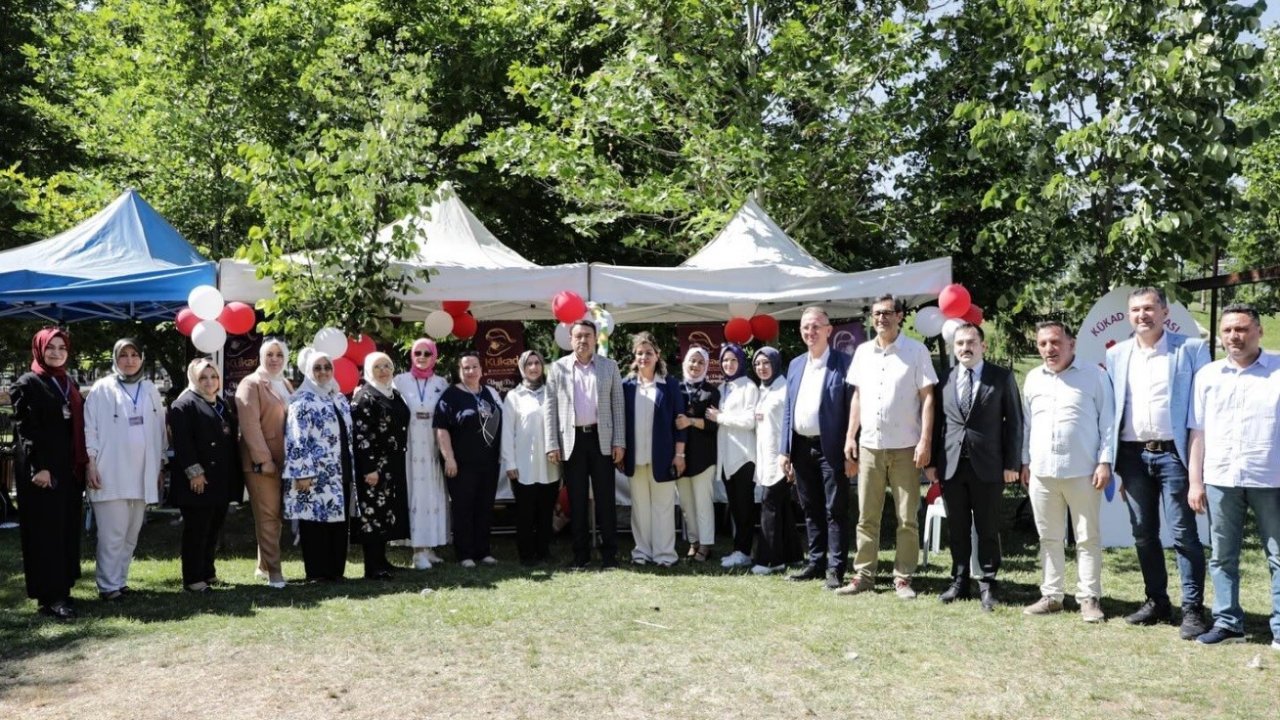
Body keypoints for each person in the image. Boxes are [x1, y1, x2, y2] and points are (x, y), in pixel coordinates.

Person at [1105, 287, 1210, 637]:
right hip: (1133, 457)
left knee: (1183, 534)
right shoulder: (1118, 355)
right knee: (1143, 534)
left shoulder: (1191, 349)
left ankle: (1193, 609)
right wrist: (1114, 463)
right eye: (1135, 309)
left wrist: (1199, 471)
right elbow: (1113, 413)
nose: (1142, 315)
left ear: (1165, 312)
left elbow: (1203, 410)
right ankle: (1157, 602)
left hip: (1174, 455)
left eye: (1149, 308)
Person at [1187, 303, 1280, 648]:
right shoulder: (1208, 376)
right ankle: (1229, 625)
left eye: (1241, 329)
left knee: (1278, 556)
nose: (1234, 336)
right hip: (1220, 478)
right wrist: (1195, 482)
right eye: (1227, 330)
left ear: (1259, 331)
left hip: (1271, 478)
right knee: (1222, 555)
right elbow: (1197, 433)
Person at [839, 295, 937, 599]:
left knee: (907, 516)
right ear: (871, 318)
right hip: (870, 446)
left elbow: (928, 398)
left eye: (887, 313)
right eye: (876, 314)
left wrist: (925, 440)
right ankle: (864, 575)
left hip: (907, 447)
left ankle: (903, 578)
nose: (881, 318)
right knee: (867, 515)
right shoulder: (863, 352)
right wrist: (850, 436)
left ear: (900, 316)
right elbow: (857, 397)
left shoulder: (916, 351)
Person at [1020, 321, 1115, 622]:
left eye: (1056, 342)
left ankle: (1088, 598)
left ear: (1071, 344)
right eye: (1043, 344)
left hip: (1083, 472)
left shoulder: (1095, 376)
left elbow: (1108, 423)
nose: (1050, 349)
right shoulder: (1033, 379)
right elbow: (1026, 426)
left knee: (1087, 538)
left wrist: (1105, 461)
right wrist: (1025, 462)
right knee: (1049, 537)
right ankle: (1052, 596)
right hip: (1042, 473)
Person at [926, 323, 1022, 611]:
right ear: (954, 348)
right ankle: (959, 580)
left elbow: (1015, 424)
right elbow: (937, 425)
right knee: (956, 528)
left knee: (988, 528)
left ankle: (989, 583)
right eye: (960, 344)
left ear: (983, 346)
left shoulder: (1001, 378)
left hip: (990, 467)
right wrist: (931, 462)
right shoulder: (944, 379)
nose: (965, 348)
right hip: (952, 466)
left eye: (971, 342)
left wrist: (1012, 463)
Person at [11, 327, 88, 620]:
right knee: (46, 532)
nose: (56, 352)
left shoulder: (67, 381)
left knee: (65, 528)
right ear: (39, 350)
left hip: (68, 468)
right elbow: (25, 430)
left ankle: (63, 588)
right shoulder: (27, 383)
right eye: (50, 347)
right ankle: (50, 596)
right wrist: (38, 467)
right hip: (42, 470)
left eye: (62, 347)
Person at [84, 338, 166, 601]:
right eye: (123, 355)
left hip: (143, 472)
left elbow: (160, 429)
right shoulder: (101, 388)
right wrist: (91, 462)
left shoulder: (150, 388)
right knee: (113, 533)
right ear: (115, 358)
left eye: (134, 354)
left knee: (131, 533)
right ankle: (107, 586)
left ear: (141, 358)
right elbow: (90, 429)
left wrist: (160, 463)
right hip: (111, 471)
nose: (129, 360)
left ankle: (120, 580)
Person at [543, 319, 626, 569]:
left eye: (587, 335)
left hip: (602, 439)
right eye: (578, 336)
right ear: (570, 339)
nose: (583, 340)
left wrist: (619, 441)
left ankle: (609, 555)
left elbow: (618, 406)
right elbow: (550, 407)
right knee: (576, 501)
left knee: (605, 501)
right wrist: (551, 443)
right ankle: (581, 556)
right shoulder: (557, 369)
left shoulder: (609, 367)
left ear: (595, 338)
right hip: (572, 442)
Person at [781, 306, 853, 590]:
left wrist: (852, 449)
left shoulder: (844, 363)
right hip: (800, 447)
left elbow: (852, 409)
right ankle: (816, 562)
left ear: (828, 330)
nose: (810, 332)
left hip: (831, 448)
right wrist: (784, 451)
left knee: (835, 508)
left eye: (815, 326)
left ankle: (835, 568)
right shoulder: (796, 364)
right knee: (810, 508)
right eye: (805, 327)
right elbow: (789, 409)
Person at [167, 358, 241, 593]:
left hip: (219, 478)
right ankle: (193, 578)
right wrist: (194, 473)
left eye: (213, 377)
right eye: (203, 377)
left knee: (213, 528)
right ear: (193, 379)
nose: (209, 382)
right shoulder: (183, 404)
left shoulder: (220, 403)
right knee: (197, 530)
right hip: (198, 480)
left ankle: (207, 572)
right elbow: (183, 444)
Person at [283, 350, 353, 582]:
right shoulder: (302, 401)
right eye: (317, 368)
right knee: (314, 523)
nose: (323, 372)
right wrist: (302, 473)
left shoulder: (339, 398)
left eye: (327, 367)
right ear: (308, 372)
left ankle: (336, 571)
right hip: (314, 473)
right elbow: (296, 439)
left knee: (338, 522)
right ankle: (317, 573)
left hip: (340, 469)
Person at [621, 333, 687, 566]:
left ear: (657, 355)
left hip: (664, 456)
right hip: (635, 457)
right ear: (634, 356)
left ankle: (665, 555)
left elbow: (680, 423)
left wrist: (679, 455)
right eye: (640, 353)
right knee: (640, 508)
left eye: (648, 353)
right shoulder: (626, 385)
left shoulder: (670, 384)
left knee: (663, 507)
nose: (644, 357)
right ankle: (642, 553)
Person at [434, 351, 503, 568]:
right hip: (462, 464)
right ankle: (464, 554)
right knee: (463, 508)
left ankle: (483, 551)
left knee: (484, 507)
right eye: (466, 368)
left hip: (489, 463)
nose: (471, 371)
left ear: (481, 370)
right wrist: (449, 458)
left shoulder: (490, 393)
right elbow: (441, 429)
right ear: (459, 371)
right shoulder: (450, 395)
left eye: (474, 367)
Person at [234, 337, 293, 588]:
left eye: (279, 354)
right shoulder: (251, 383)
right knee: (268, 516)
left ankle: (262, 565)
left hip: (284, 460)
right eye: (269, 354)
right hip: (262, 463)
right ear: (261, 356)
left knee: (275, 516)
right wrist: (264, 460)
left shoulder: (286, 384)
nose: (274, 359)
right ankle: (275, 573)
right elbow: (250, 426)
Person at [351, 352, 412, 579]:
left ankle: (382, 560)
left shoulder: (394, 394)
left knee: (387, 511)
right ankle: (372, 566)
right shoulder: (365, 397)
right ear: (368, 370)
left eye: (387, 365)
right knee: (373, 513)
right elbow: (361, 436)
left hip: (393, 464)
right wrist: (369, 468)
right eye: (377, 367)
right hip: (374, 467)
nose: (383, 370)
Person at [393, 338, 450, 569]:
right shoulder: (400, 381)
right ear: (412, 356)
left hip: (433, 445)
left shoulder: (441, 382)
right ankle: (417, 551)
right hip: (411, 447)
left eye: (427, 353)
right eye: (418, 353)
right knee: (415, 494)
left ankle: (430, 546)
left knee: (433, 495)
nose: (423, 357)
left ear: (434, 356)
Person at [501, 350, 561, 565]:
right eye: (529, 364)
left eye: (537, 363)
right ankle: (526, 555)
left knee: (545, 512)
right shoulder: (514, 397)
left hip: (549, 465)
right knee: (525, 513)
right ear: (522, 368)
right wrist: (510, 462)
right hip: (522, 465)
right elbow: (507, 433)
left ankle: (544, 551)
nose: (534, 367)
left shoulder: (551, 393)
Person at [709, 343, 759, 569]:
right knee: (736, 507)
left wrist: (721, 417)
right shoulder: (722, 388)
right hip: (727, 458)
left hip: (743, 456)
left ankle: (744, 551)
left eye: (733, 360)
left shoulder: (749, 387)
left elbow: (750, 421)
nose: (729, 364)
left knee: (745, 507)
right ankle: (739, 550)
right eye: (725, 361)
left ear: (741, 362)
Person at [750, 346, 799, 575]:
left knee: (769, 506)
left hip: (781, 459)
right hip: (765, 458)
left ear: (776, 363)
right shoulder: (763, 390)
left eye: (766, 363)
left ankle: (770, 560)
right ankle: (793, 555)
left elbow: (790, 426)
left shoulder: (784, 389)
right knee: (781, 507)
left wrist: (789, 457)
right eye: (757, 364)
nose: (761, 367)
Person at [675, 346, 719, 562]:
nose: (695, 366)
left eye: (701, 362)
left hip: (703, 456)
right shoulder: (676, 388)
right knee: (686, 503)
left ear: (706, 366)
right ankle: (693, 542)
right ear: (685, 362)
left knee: (703, 502)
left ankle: (706, 544)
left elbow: (713, 425)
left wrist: (691, 421)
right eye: (692, 361)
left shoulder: (712, 391)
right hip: (680, 455)